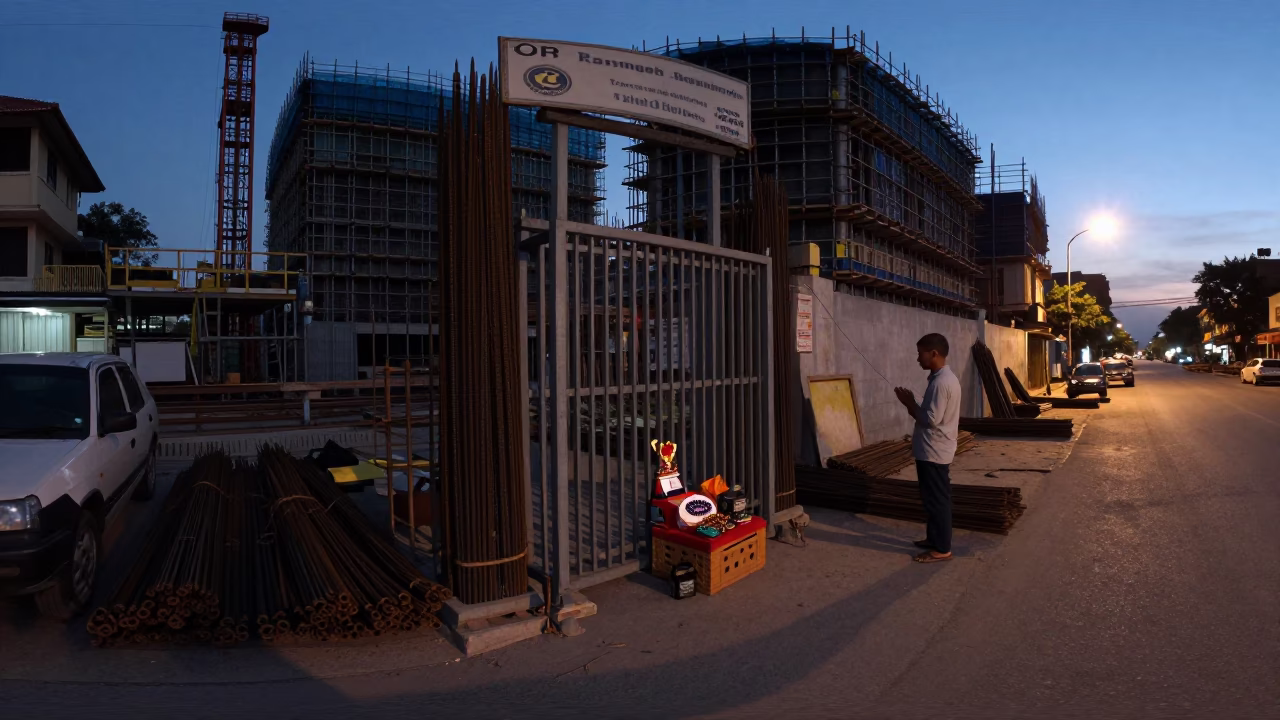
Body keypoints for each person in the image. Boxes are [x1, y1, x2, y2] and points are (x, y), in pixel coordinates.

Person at [893, 333, 962, 563]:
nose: (917, 358)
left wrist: (910, 404)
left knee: (937, 500)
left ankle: (942, 548)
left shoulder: (942, 383)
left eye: (920, 353)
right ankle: (933, 538)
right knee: (931, 498)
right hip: (932, 450)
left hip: (935, 451)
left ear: (934, 354)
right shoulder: (939, 379)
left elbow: (930, 419)